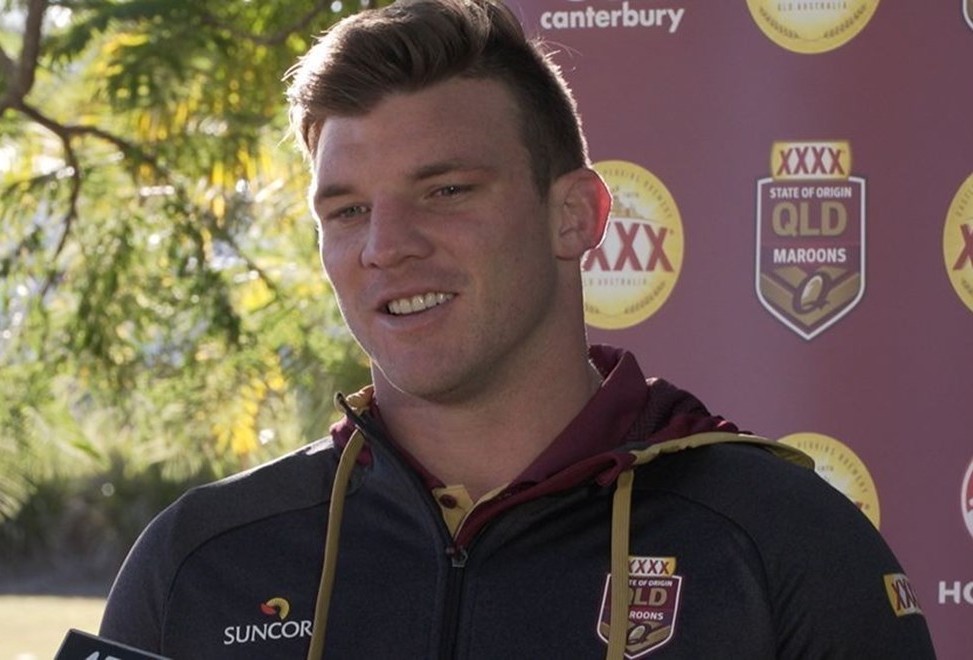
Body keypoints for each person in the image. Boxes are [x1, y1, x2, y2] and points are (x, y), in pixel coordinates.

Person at [99, 1, 936, 658]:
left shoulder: (783, 542)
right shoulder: (200, 561)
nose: (386, 246)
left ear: (575, 216)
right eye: (347, 210)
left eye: (446, 191)